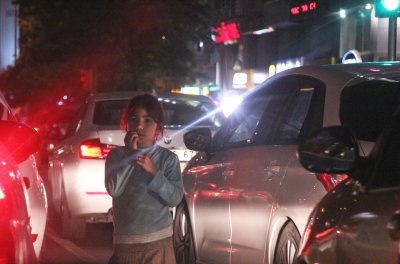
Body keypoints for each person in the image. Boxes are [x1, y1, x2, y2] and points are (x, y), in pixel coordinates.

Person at [105, 93, 183, 264]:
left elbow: (175, 198)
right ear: (126, 124)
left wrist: (154, 172)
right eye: (133, 119)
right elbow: (114, 189)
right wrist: (130, 156)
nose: (139, 126)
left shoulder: (167, 159)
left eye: (147, 120)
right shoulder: (116, 156)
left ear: (158, 128)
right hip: (125, 244)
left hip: (159, 244)